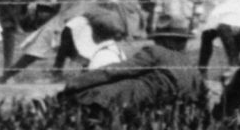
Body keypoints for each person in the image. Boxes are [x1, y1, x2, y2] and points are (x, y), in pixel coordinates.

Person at [53, 20, 207, 113]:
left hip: (143, 95)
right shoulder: (192, 67)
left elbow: (114, 71)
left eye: (158, 39)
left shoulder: (156, 51)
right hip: (171, 106)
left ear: (166, 40)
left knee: (87, 96)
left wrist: (78, 82)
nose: (156, 42)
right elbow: (202, 96)